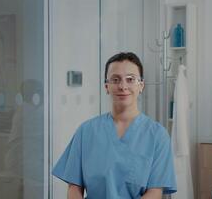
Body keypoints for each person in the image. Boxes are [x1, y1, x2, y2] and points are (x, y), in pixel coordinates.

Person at [52, 52, 177, 198]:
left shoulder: (157, 136)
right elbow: (74, 187)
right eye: (115, 79)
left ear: (141, 85)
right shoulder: (86, 131)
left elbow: (155, 192)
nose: (123, 86)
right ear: (106, 86)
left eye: (130, 79)